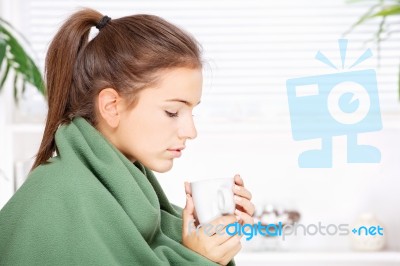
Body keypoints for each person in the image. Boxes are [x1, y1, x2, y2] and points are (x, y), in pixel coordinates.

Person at [0, 8, 255, 265]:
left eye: (192, 111)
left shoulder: (130, 201)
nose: (191, 131)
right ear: (112, 106)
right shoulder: (58, 200)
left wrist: (207, 238)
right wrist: (196, 258)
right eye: (172, 112)